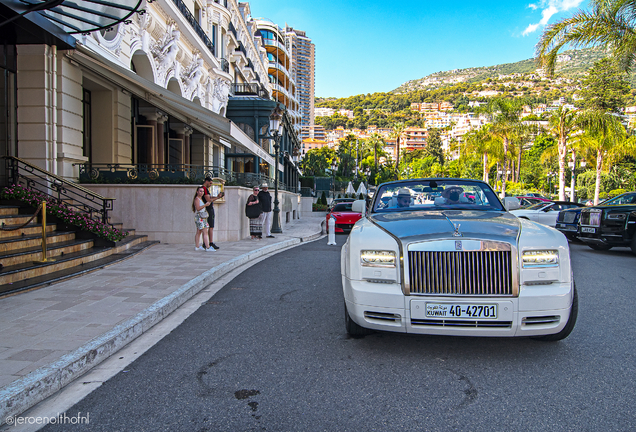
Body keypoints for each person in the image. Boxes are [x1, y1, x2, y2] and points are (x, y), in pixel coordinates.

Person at [201, 177, 224, 250]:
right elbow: (208, 199)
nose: (211, 185)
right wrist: (217, 197)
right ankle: (210, 242)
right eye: (210, 183)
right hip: (208, 209)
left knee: (207, 226)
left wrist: (217, 197)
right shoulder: (204, 189)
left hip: (207, 209)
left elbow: (209, 197)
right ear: (206, 181)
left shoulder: (204, 189)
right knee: (210, 226)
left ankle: (206, 242)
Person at [192, 187, 212, 252]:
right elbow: (198, 208)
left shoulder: (200, 199)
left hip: (201, 217)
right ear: (197, 192)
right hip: (200, 217)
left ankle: (197, 246)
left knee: (199, 232)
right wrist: (205, 205)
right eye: (200, 191)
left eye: (202, 191)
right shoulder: (197, 199)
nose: (201, 193)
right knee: (205, 231)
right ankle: (208, 247)